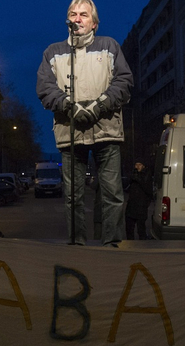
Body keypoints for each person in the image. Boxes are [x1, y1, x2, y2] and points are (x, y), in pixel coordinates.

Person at [37, 0, 133, 247]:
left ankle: (112, 244)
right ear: (67, 20)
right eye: (73, 14)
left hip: (107, 131)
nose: (77, 18)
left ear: (94, 23)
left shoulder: (110, 46)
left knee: (112, 193)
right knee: (73, 196)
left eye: (83, 14)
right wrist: (70, 107)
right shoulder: (53, 52)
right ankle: (76, 246)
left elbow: (123, 81)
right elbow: (45, 88)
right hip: (70, 133)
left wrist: (99, 106)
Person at [125, 160, 152, 240]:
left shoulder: (147, 174)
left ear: (143, 166)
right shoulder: (134, 173)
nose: (137, 167)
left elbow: (148, 189)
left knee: (141, 229)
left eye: (139, 164)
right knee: (129, 228)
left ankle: (141, 245)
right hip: (131, 205)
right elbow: (127, 185)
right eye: (136, 164)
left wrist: (139, 179)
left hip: (141, 206)